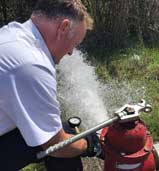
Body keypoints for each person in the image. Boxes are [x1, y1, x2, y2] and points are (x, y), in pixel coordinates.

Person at [0, 0, 100, 171]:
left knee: (66, 130)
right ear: (63, 27)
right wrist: (89, 145)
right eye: (74, 44)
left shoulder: (12, 33)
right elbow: (56, 146)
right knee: (67, 144)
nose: (70, 52)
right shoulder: (30, 65)